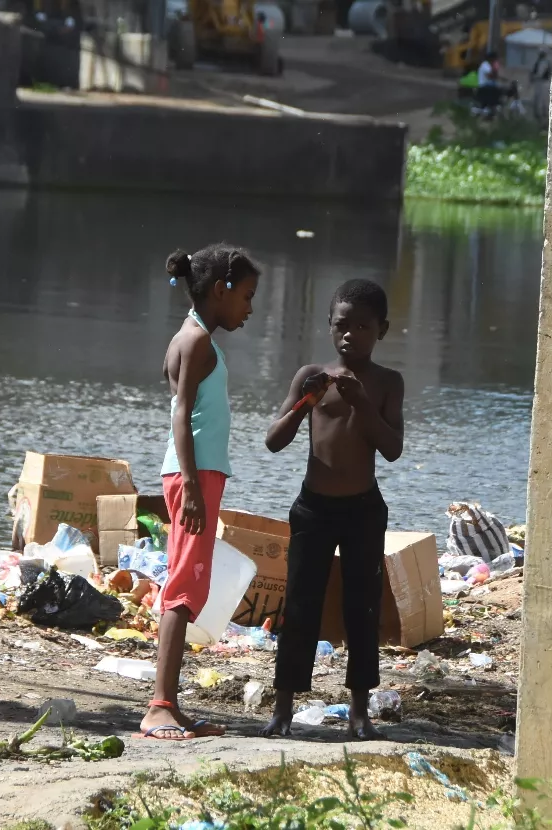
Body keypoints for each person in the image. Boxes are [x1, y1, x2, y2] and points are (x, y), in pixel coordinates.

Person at [260, 279, 405, 740]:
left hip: (363, 509)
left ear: (382, 329)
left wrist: (362, 401)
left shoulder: (386, 383)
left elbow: (393, 449)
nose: (350, 335)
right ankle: (283, 709)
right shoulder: (311, 376)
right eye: (342, 325)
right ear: (329, 326)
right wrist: (306, 402)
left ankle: (360, 713)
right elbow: (273, 441)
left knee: (361, 607)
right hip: (313, 508)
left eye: (362, 326)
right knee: (300, 604)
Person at [139, 243, 261, 741]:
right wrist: (190, 485)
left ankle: (170, 703)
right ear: (220, 290)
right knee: (185, 586)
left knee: (187, 581)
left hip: (196, 473)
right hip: (194, 476)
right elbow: (180, 413)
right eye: (247, 296)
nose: (250, 308)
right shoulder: (196, 342)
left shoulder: (191, 337)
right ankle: (159, 706)